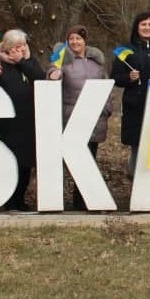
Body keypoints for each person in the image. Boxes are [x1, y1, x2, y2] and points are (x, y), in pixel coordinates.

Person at [48, 25, 112, 210]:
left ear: (85, 41)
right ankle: (67, 200)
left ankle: (84, 200)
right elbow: (51, 73)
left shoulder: (97, 63)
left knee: (89, 159)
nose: (75, 42)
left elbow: (106, 86)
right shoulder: (62, 60)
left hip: (94, 120)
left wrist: (106, 109)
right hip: (71, 118)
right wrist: (53, 74)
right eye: (71, 38)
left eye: (78, 38)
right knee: (74, 161)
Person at [0, 29, 45, 212]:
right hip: (9, 123)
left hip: (29, 120)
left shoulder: (30, 62)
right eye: (16, 47)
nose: (20, 49)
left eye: (23, 46)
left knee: (26, 162)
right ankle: (9, 200)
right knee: (10, 161)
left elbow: (40, 78)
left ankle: (20, 198)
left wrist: (22, 62)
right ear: (7, 48)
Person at [111, 12, 150, 177]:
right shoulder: (126, 50)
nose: (147, 28)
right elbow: (115, 77)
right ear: (137, 27)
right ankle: (135, 180)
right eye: (143, 24)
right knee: (137, 146)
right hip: (136, 105)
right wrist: (128, 77)